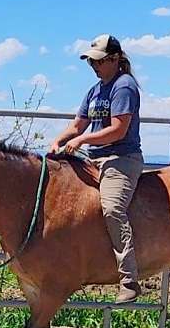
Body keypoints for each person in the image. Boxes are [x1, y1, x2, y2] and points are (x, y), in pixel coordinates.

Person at [48, 34, 144, 303]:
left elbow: (118, 130)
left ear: (115, 59)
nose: (94, 66)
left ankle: (128, 278)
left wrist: (81, 140)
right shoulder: (94, 90)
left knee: (113, 208)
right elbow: (78, 124)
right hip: (94, 159)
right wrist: (61, 139)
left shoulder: (124, 86)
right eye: (92, 61)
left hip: (120, 159)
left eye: (99, 61)